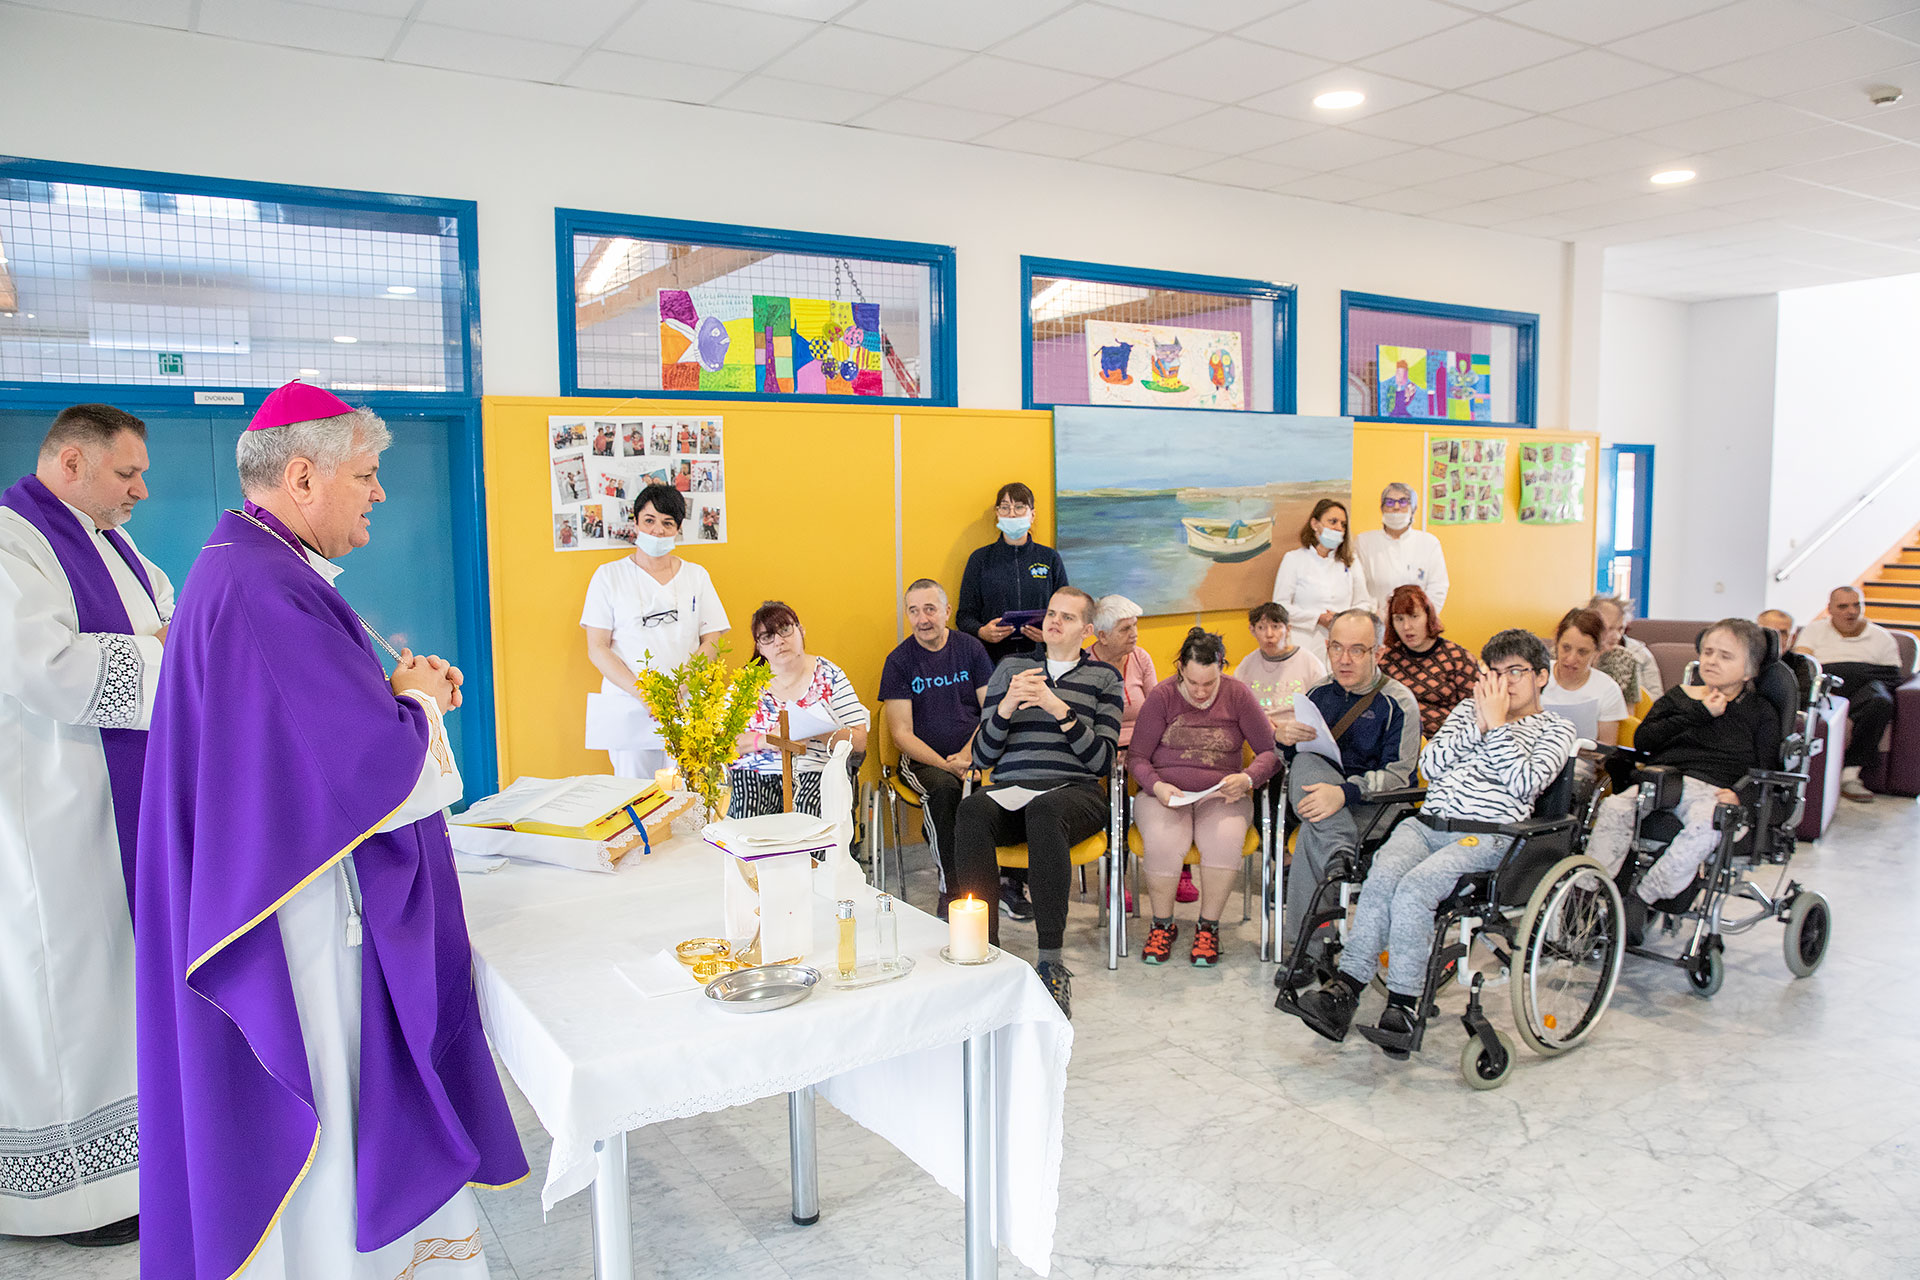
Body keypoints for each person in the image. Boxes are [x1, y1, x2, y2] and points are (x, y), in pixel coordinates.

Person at [136, 381, 526, 1279]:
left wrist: (391, 698)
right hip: (298, 914)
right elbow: (361, 775)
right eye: (367, 473)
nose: (379, 492)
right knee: (326, 1098)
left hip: (287, 883)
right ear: (303, 477)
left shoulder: (252, 564)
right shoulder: (263, 583)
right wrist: (418, 705)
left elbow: (293, 743)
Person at [0, 405, 171, 1248]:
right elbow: (42, 667)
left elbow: (171, 619)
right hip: (49, 818)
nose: (141, 490)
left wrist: (174, 644)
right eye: (126, 473)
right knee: (63, 991)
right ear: (70, 463)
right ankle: (68, 1198)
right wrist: (169, 652)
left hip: (117, 808)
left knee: (115, 988)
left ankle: (134, 1177)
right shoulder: (13, 544)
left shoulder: (120, 548)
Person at [1281, 629, 1576, 1053]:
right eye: (1493, 673)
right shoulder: (1466, 711)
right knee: (1382, 878)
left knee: (1415, 889)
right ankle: (1345, 989)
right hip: (1428, 824)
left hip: (1488, 835)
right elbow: (1432, 765)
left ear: (1541, 677)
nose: (1502, 683)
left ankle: (1403, 1004)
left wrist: (1496, 726)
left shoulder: (1555, 729)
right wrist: (1478, 723)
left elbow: (1526, 781)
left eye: (1515, 672)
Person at [953, 587, 1123, 1019]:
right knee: (972, 809)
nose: (1054, 622)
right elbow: (983, 756)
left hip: (1075, 793)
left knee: (1045, 811)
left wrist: (1058, 709)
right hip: (1014, 790)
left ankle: (1051, 962)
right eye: (1051, 613)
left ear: (1087, 630)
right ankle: (983, 952)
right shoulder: (1011, 669)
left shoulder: (1105, 678)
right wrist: (1006, 707)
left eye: (1067, 617)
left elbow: (1102, 761)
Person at [1587, 620, 1782, 943]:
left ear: (1749, 671)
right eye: (1708, 652)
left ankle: (1641, 900)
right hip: (1663, 782)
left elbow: (1768, 770)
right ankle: (1588, 894)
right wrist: (1700, 712)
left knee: (1707, 825)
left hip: (1715, 792)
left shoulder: (1760, 712)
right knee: (1615, 808)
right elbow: (1644, 740)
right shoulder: (1680, 698)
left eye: (1725, 656)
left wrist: (1740, 796)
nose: (1712, 661)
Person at [1128, 629, 1280, 967]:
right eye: (1193, 682)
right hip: (1166, 793)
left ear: (1221, 668)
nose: (1200, 692)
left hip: (1221, 793)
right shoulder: (1163, 696)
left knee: (1224, 840)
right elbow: (1136, 758)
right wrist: (1156, 786)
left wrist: (1247, 778)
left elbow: (1270, 752)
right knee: (1164, 841)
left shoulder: (1238, 694)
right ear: (1181, 668)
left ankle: (1208, 926)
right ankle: (1162, 924)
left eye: (1209, 683)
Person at [1277, 610, 1421, 947]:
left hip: (1374, 807)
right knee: (1306, 760)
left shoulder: (1399, 702)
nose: (1344, 660)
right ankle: (1339, 853)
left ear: (1378, 653)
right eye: (1337, 648)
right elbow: (1295, 761)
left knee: (1314, 832)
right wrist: (1283, 741)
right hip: (1321, 797)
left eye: (1357, 650)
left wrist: (1344, 793)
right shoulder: (1318, 694)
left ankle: (1307, 952)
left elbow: (1400, 776)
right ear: (1327, 647)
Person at [582, 482, 730, 779]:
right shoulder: (609, 576)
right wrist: (648, 696)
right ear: (635, 522)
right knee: (635, 793)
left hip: (686, 703)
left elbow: (712, 639)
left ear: (678, 529)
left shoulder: (696, 576)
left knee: (691, 790)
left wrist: (678, 691)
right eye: (649, 520)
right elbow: (597, 647)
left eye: (667, 523)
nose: (657, 530)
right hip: (630, 705)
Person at [879, 578, 992, 917]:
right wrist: (948, 766)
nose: (922, 619)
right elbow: (901, 734)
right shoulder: (899, 661)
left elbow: (991, 710)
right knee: (944, 791)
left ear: (946, 611)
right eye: (914, 611)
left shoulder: (971, 649)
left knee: (1004, 786)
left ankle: (1007, 884)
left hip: (976, 754)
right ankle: (952, 889)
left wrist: (968, 755)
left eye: (929, 609)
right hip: (924, 763)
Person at [729, 600, 870, 819]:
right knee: (749, 817)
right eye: (767, 637)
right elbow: (723, 742)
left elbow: (859, 741)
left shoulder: (829, 675)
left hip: (813, 769)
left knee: (807, 818)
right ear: (760, 647)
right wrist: (767, 740)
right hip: (754, 771)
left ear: (801, 631)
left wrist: (818, 729)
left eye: (785, 630)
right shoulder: (747, 682)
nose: (779, 641)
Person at [1796, 586, 1903, 803]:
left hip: (1867, 692)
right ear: (1830, 609)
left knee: (1881, 701)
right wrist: (1851, 672)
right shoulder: (1814, 631)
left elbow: (1891, 676)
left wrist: (1847, 672)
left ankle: (1850, 774)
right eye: (1843, 606)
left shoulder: (1881, 637)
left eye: (1856, 605)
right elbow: (1803, 665)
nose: (1851, 612)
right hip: (1827, 688)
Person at [955, 481, 1069, 669]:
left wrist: (1050, 635)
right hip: (991, 661)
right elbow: (964, 616)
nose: (1012, 514)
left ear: (1032, 514)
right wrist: (982, 631)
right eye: (1005, 508)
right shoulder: (980, 559)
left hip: (1042, 659)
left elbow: (1067, 611)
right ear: (997, 513)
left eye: (1019, 507)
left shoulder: (1050, 558)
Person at [1271, 498, 1370, 665]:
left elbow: (1364, 603)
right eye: (1333, 521)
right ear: (1315, 524)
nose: (1338, 528)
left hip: (1343, 644)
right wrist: (1318, 618)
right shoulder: (1294, 559)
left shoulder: (1350, 561)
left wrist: (1342, 618)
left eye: (1343, 524)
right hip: (1304, 643)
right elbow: (1280, 607)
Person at [1378, 584, 1478, 740]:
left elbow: (1478, 711)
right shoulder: (1386, 659)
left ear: (1428, 616)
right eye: (1399, 619)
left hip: (1449, 742)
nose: (1406, 626)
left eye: (1414, 616)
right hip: (1396, 739)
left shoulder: (1457, 658)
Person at [1354, 482, 1449, 616]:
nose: (1396, 507)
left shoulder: (1429, 543)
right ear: (1382, 508)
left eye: (1403, 502)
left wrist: (1420, 618)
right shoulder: (1364, 541)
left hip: (1418, 622)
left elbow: (1438, 587)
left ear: (1413, 508)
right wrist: (1375, 615)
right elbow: (1358, 586)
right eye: (1390, 502)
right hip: (1376, 620)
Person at [1541, 607, 1628, 745]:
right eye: (1566, 648)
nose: (1571, 659)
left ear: (1597, 651)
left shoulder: (1608, 689)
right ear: (1556, 642)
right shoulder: (1535, 676)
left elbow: (1606, 750)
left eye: (1582, 652)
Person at [1234, 602, 1325, 730]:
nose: (1269, 634)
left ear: (1288, 629)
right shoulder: (1247, 665)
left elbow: (1322, 707)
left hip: (1300, 732)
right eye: (1261, 628)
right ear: (1252, 630)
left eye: (1276, 627)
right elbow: (1237, 707)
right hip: (1260, 731)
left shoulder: (1309, 662)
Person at [1088, 594, 1155, 748]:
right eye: (1125, 629)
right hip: (1103, 747)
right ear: (1103, 636)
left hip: (1142, 745)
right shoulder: (1085, 665)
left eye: (1135, 625)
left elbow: (1156, 710)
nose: (1134, 634)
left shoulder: (1141, 657)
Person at [1587, 594, 1643, 707]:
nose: (1617, 636)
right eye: (1609, 628)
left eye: (1620, 628)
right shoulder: (1565, 653)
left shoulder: (1626, 659)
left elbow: (1629, 710)